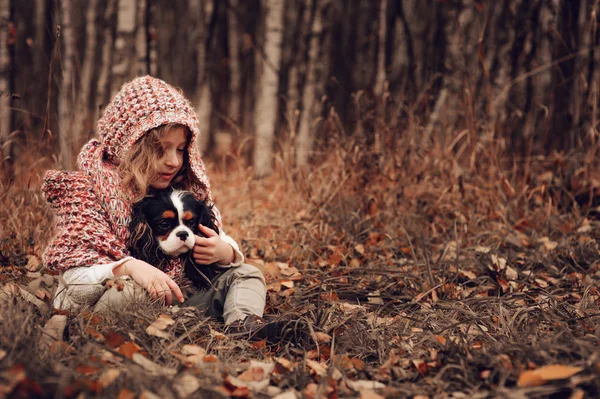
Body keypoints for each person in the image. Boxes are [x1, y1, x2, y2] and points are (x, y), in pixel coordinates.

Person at [42, 76, 267, 335]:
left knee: (245, 273)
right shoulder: (84, 192)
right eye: (161, 149)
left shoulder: (185, 190)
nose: (173, 161)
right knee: (125, 290)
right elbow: (73, 279)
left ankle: (244, 324)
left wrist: (225, 252)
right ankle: (108, 337)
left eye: (181, 150)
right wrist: (129, 267)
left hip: (180, 297)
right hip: (115, 303)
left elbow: (223, 241)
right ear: (129, 146)